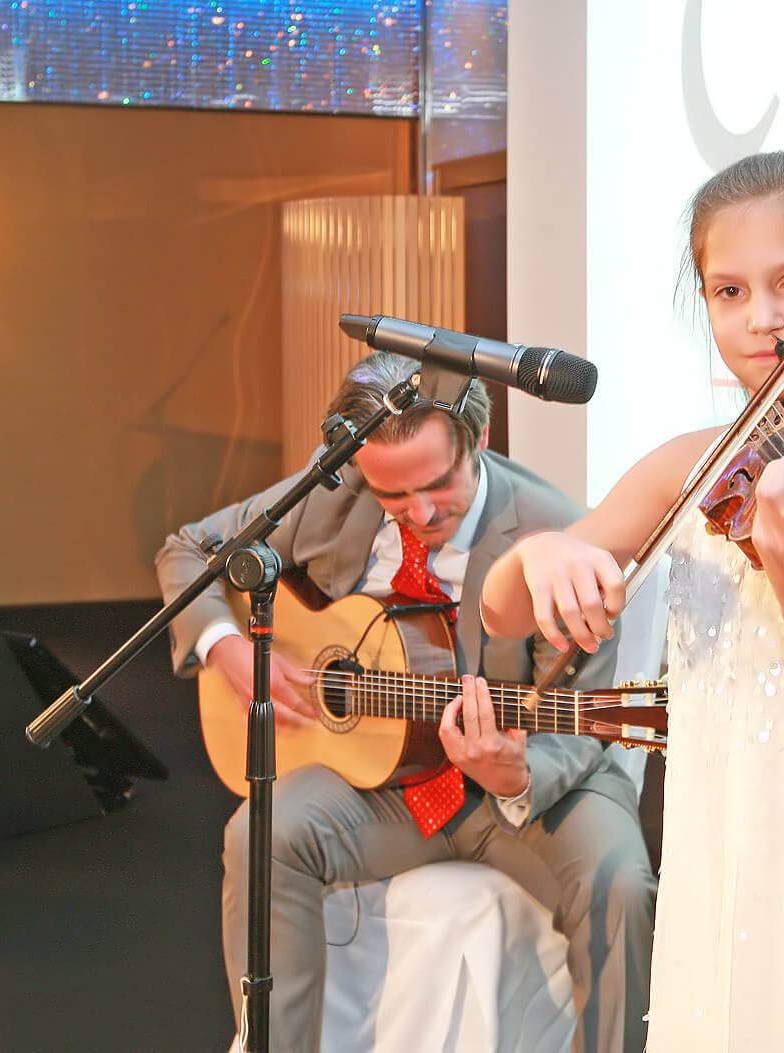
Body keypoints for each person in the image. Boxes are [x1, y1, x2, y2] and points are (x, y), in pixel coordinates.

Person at [481, 151, 784, 1050]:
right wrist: (540, 555)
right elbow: (501, 611)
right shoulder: (696, 465)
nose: (764, 319)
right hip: (726, 859)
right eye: (729, 291)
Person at [156, 351, 656, 1053]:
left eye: (439, 484)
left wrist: (515, 774)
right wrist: (228, 649)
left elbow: (583, 715)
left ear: (478, 441)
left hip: (525, 787)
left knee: (621, 885)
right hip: (383, 783)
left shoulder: (558, 533)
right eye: (392, 494)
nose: (420, 513)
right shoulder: (336, 490)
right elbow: (188, 549)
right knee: (258, 835)